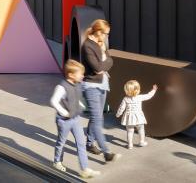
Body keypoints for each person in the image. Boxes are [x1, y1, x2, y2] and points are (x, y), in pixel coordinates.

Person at [50, 60, 101, 178]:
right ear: (71, 75)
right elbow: (54, 101)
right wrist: (64, 113)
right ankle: (57, 161)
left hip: (76, 118)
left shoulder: (77, 84)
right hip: (64, 120)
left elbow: (75, 97)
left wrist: (80, 105)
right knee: (61, 142)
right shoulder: (61, 87)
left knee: (81, 144)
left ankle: (85, 169)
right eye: (80, 74)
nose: (82, 76)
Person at [80, 19, 120, 163]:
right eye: (105, 34)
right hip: (91, 86)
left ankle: (90, 143)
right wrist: (104, 64)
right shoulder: (87, 46)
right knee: (97, 119)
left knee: (97, 117)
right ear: (98, 32)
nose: (106, 37)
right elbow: (97, 67)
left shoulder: (101, 44)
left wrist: (104, 64)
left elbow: (110, 60)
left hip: (103, 84)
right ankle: (106, 152)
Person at [115, 80, 158, 148]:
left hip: (129, 118)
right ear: (137, 90)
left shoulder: (125, 99)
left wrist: (118, 114)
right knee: (141, 130)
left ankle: (130, 145)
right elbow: (149, 96)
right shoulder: (139, 97)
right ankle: (142, 142)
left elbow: (121, 108)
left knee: (130, 131)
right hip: (138, 118)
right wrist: (154, 90)